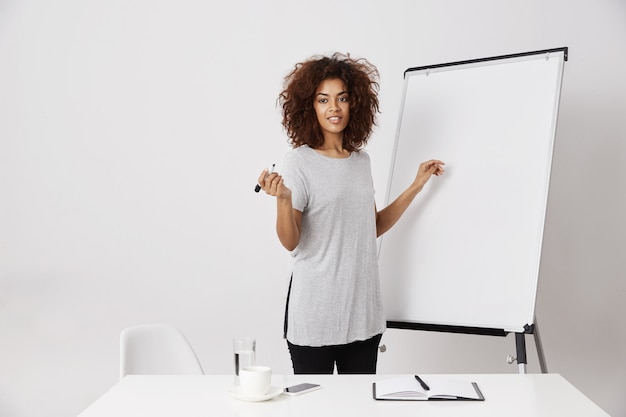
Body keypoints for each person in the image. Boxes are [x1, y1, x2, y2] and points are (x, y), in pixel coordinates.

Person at [257, 52, 444, 374]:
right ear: (309, 106)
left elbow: (370, 226)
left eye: (342, 98)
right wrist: (284, 199)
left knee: (359, 405)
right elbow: (291, 242)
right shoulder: (298, 161)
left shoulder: (361, 161)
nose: (334, 108)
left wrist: (415, 186)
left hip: (362, 312)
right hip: (315, 312)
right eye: (323, 100)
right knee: (315, 405)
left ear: (355, 103)